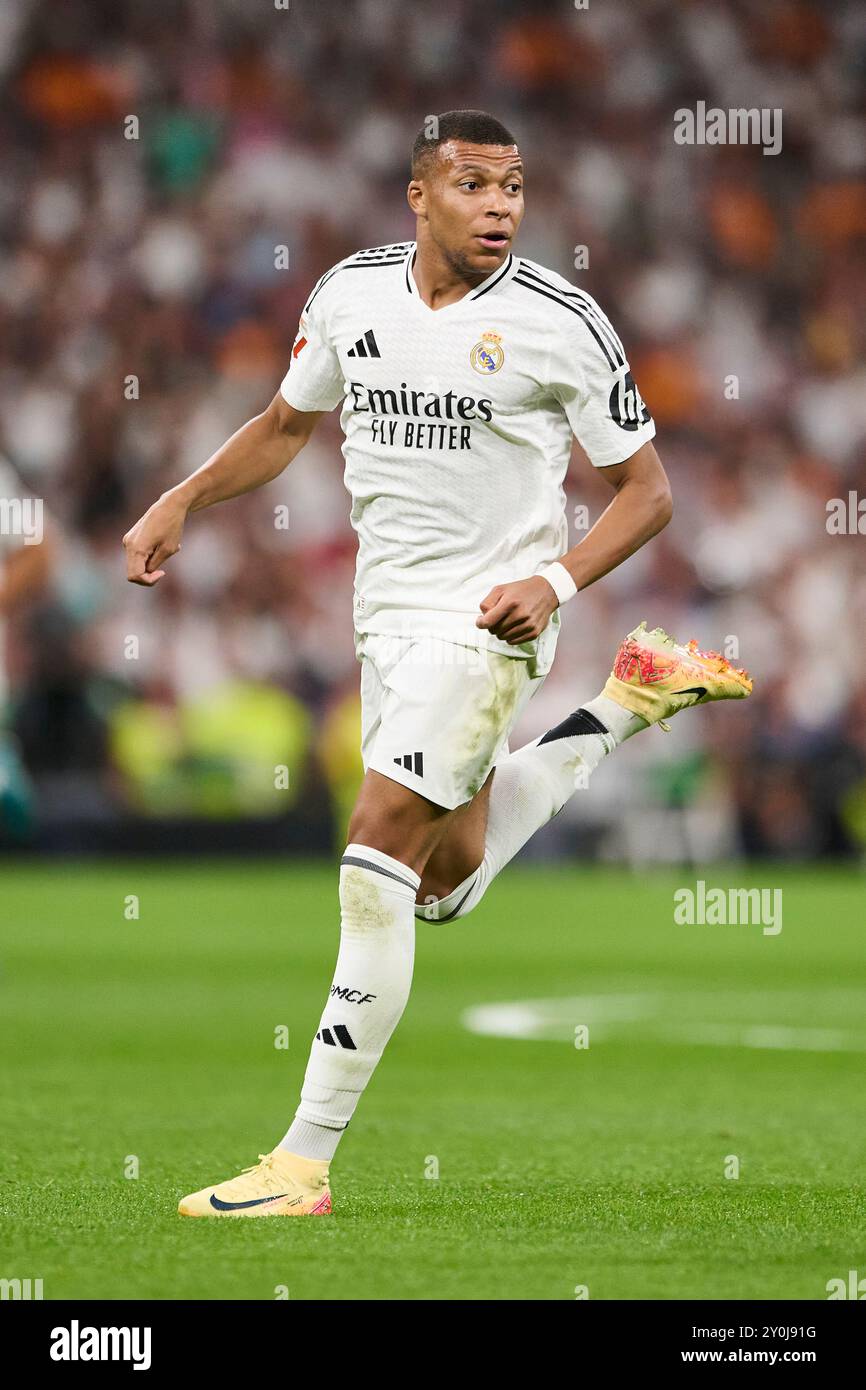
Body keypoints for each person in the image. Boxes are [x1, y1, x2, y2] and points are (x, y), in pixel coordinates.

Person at [122, 110, 751, 1218]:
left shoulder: (561, 321)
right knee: (442, 883)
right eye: (473, 184)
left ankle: (300, 1163)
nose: (500, 205)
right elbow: (281, 423)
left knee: (372, 853)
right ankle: (623, 701)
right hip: (388, 619)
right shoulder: (349, 293)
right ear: (419, 195)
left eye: (513, 186)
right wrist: (182, 497)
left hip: (490, 620)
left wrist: (552, 584)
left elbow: (647, 492)